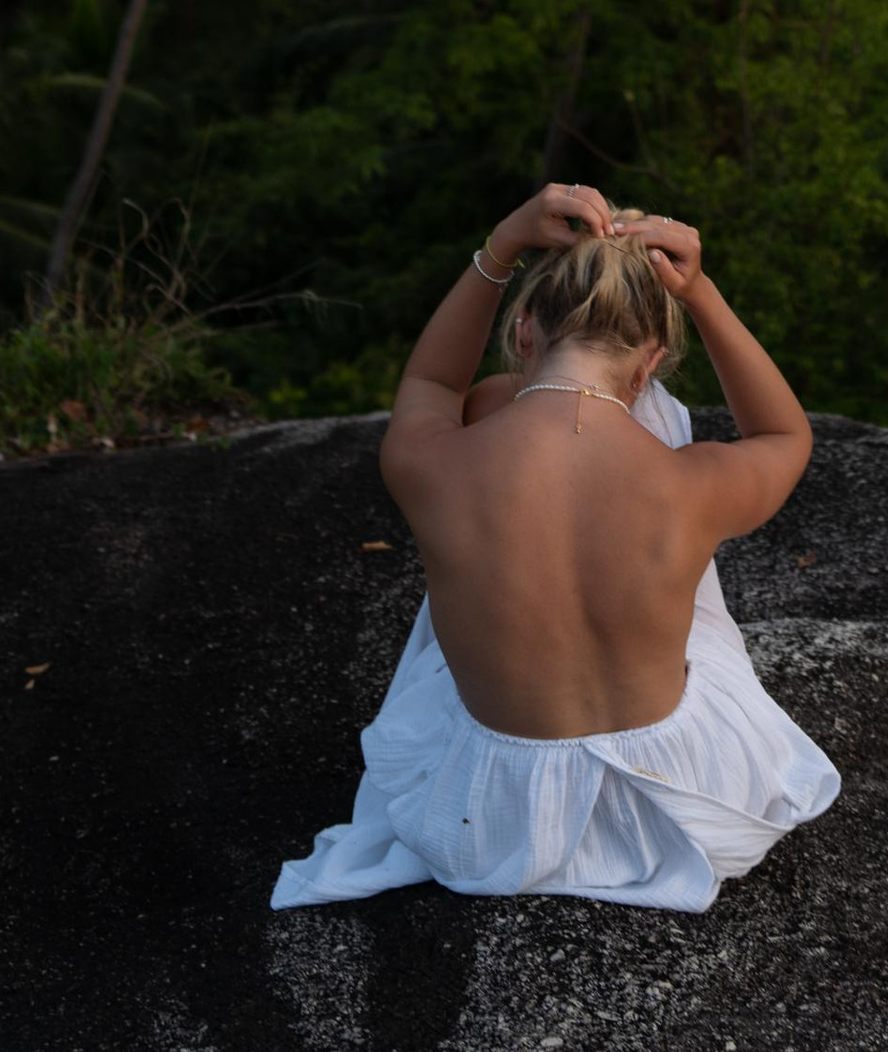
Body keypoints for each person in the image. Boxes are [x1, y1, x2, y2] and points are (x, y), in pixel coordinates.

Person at [269, 180, 839, 913]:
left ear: (522, 334)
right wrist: (699, 291)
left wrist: (501, 245)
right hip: (675, 813)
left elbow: (434, 379)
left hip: (488, 820)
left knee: (493, 431)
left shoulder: (435, 463)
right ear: (647, 363)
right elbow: (783, 434)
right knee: (661, 452)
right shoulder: (691, 484)